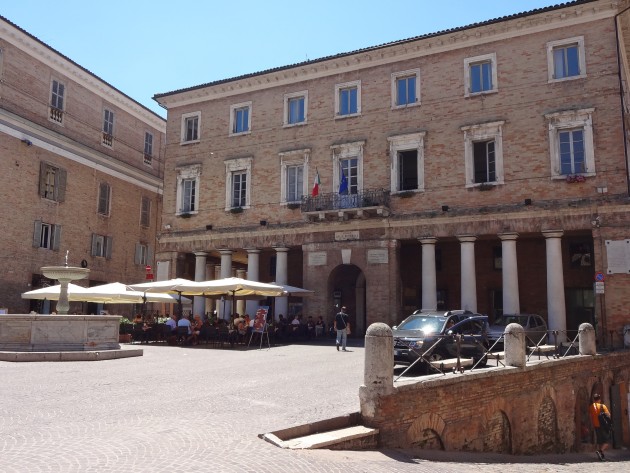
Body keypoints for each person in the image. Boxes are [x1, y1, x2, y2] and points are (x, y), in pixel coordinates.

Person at [589, 393, 611, 461]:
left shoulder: (591, 407)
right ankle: (600, 451)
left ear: (594, 399)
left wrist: (592, 425)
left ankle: (601, 456)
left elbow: (590, 417)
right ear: (599, 399)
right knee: (607, 441)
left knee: (600, 441)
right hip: (603, 426)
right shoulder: (602, 406)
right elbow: (608, 415)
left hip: (596, 426)